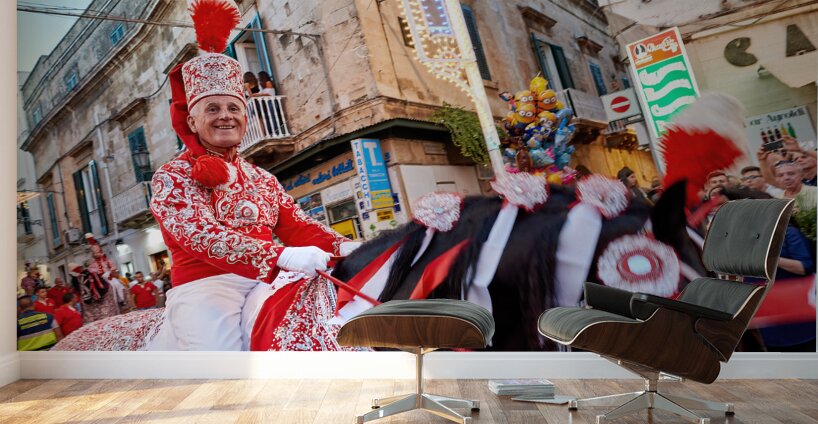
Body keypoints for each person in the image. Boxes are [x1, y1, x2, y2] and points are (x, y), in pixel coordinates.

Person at [146, 0, 359, 351]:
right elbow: (200, 236)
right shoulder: (173, 175)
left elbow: (298, 226)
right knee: (222, 366)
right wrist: (281, 256)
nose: (225, 116)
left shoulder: (261, 177)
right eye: (212, 109)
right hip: (205, 290)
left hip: (265, 280)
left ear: (245, 117)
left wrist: (346, 247)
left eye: (234, 108)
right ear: (193, 121)